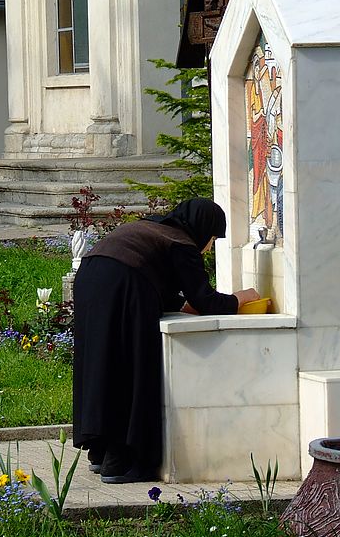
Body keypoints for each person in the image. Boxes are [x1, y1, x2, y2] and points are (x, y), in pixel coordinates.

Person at [72, 198, 261, 484]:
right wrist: (242, 298)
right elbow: (205, 300)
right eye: (211, 238)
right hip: (126, 282)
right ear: (201, 229)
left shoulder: (154, 228)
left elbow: (168, 287)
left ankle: (99, 451)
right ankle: (122, 460)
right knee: (133, 366)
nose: (209, 246)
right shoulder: (181, 242)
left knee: (102, 361)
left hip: (90, 276)